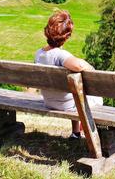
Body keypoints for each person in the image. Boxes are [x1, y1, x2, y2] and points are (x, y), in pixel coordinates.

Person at [34, 10, 103, 139]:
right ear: (66, 36)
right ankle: (89, 133)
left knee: (74, 93)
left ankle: (76, 132)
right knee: (96, 99)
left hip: (49, 102)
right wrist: (89, 66)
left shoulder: (38, 53)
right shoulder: (61, 55)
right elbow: (79, 66)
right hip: (66, 105)